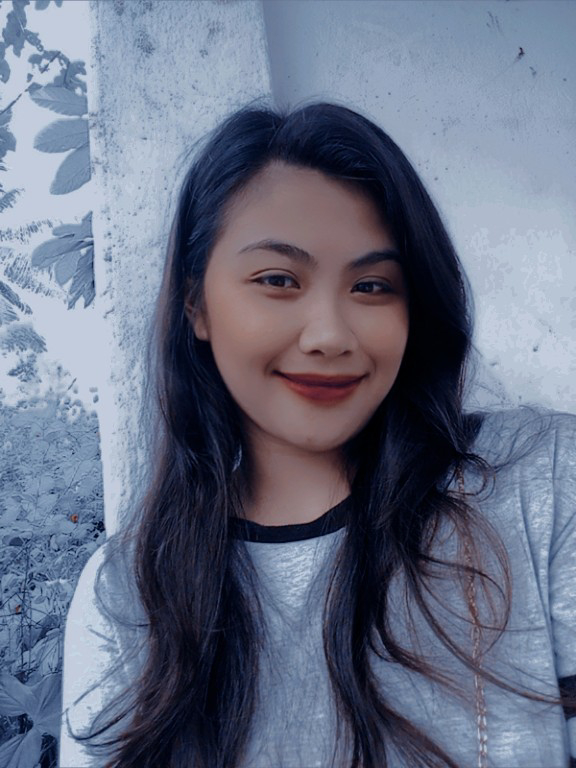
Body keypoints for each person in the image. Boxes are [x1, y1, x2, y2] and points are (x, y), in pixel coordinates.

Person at [60, 102, 576, 768]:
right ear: (196, 304)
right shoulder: (128, 593)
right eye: (278, 280)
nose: (331, 335)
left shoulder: (538, 483)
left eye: (373, 286)